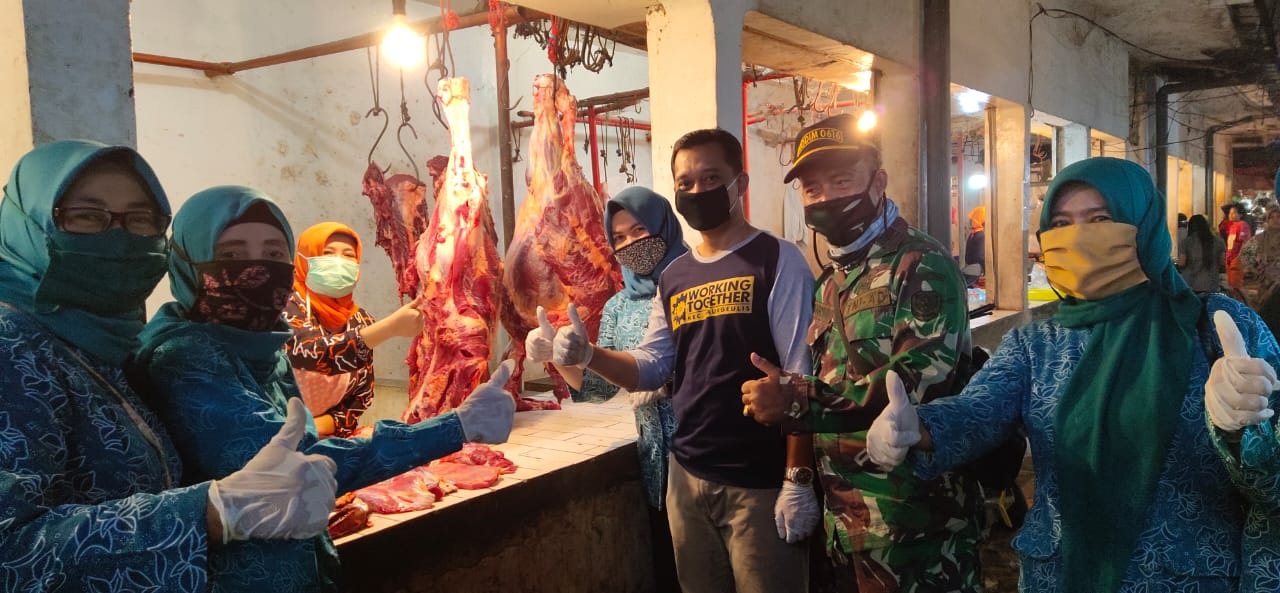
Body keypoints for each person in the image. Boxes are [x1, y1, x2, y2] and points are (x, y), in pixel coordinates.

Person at [866, 156, 1280, 592]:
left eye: (1100, 218)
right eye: (1060, 223)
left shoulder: (1217, 328)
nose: (1077, 236)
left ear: (1145, 223)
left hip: (1186, 577)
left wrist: (1243, 432)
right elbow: (978, 412)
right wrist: (918, 427)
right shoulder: (1037, 345)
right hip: (1062, 575)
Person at [133, 186, 516, 593]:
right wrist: (453, 426)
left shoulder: (260, 341)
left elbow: (353, 397)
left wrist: (339, 422)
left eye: (272, 253)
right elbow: (302, 465)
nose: (257, 268)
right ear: (187, 260)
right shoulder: (185, 355)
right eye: (231, 255)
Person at [0, 140, 338, 591]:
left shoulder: (97, 344)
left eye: (141, 219)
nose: (118, 237)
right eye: (85, 215)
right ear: (27, 223)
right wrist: (210, 513)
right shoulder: (11, 345)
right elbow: (11, 551)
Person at [532, 128, 819, 593]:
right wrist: (588, 355)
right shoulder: (675, 276)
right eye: (685, 183)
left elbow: (800, 372)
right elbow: (652, 364)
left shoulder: (777, 259)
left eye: (711, 178)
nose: (698, 191)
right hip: (686, 476)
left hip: (758, 480)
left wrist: (798, 477)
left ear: (739, 185)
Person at [740, 114, 985, 593]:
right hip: (846, 521)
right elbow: (827, 373)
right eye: (812, 189)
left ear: (878, 182)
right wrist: (800, 476)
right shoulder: (830, 282)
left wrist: (795, 400)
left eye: (841, 180)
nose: (826, 197)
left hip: (915, 524)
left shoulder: (919, 262)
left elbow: (918, 378)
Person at [527, 185, 686, 591]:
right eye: (619, 238)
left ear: (664, 226)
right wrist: (562, 356)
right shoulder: (620, 305)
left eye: (639, 230)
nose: (630, 243)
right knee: (669, 571)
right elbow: (596, 389)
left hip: (703, 454)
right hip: (654, 458)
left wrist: (665, 380)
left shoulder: (695, 282)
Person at [283, 222, 424, 437]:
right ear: (304, 258)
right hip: (271, 434)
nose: (338, 262)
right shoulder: (283, 306)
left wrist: (314, 428)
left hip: (323, 438)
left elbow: (360, 398)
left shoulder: (360, 320)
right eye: (327, 253)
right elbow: (310, 353)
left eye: (348, 255)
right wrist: (390, 328)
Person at [1243, 208, 1280, 333]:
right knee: (1266, 316)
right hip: (1264, 286)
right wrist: (1254, 270)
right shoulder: (1258, 239)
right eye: (1272, 217)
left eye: (1278, 217)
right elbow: (1245, 256)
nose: (1275, 220)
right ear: (1267, 220)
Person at [1178, 213, 1226, 294]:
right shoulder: (1219, 241)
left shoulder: (1186, 242)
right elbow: (1222, 262)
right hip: (1212, 284)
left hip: (1192, 284)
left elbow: (1182, 263)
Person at [1223, 203, 1252, 293]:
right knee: (1231, 285)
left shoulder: (1242, 225)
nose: (1231, 215)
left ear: (1240, 214)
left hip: (1237, 260)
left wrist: (1239, 257)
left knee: (1236, 286)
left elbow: (1245, 242)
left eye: (1234, 212)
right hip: (1229, 260)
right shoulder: (1232, 226)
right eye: (1230, 213)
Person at [963, 205, 986, 288]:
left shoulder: (973, 234)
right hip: (976, 273)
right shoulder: (981, 235)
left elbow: (967, 257)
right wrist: (987, 271)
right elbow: (980, 256)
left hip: (971, 270)